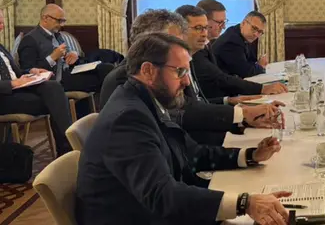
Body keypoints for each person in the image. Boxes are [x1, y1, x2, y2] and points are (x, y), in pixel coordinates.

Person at [75, 33, 292, 225]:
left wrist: (250, 155)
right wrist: (244, 203)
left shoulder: (147, 100)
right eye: (180, 72)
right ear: (148, 71)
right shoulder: (128, 118)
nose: (187, 82)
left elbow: (192, 154)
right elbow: (162, 196)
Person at [102, 9, 280, 146]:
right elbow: (183, 117)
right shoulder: (125, 80)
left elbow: (191, 107)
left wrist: (242, 123)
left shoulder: (174, 65)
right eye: (173, 42)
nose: (204, 34)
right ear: (147, 43)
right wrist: (242, 117)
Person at [0, 10, 73, 155]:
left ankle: (67, 148)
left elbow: (16, 72)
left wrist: (31, 71)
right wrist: (13, 84)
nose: (1, 27)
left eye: (2, 23)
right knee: (56, 101)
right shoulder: (30, 39)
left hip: (17, 90)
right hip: (4, 96)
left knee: (52, 87)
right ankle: (69, 147)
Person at [187, 1, 286, 99]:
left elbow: (250, 63)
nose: (224, 27)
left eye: (224, 22)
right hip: (218, 96)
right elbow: (223, 78)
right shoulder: (228, 41)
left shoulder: (210, 42)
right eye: (220, 22)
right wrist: (262, 88)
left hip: (221, 96)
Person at [17, 4, 114, 95]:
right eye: (59, 21)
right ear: (45, 18)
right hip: (56, 80)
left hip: (71, 70)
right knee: (106, 77)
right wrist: (52, 58)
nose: (62, 25)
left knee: (107, 68)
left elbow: (67, 51)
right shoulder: (29, 39)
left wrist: (73, 53)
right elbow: (27, 71)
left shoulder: (56, 34)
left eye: (63, 21)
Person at [100, 9, 187, 106]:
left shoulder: (163, 67)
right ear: (146, 43)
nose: (180, 49)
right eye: (173, 44)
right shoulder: (123, 79)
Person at [213, 11, 270, 78]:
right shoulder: (232, 41)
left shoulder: (243, 35)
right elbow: (245, 72)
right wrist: (260, 66)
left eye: (260, 32)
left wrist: (257, 65)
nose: (256, 34)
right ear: (243, 23)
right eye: (254, 28)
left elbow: (251, 61)